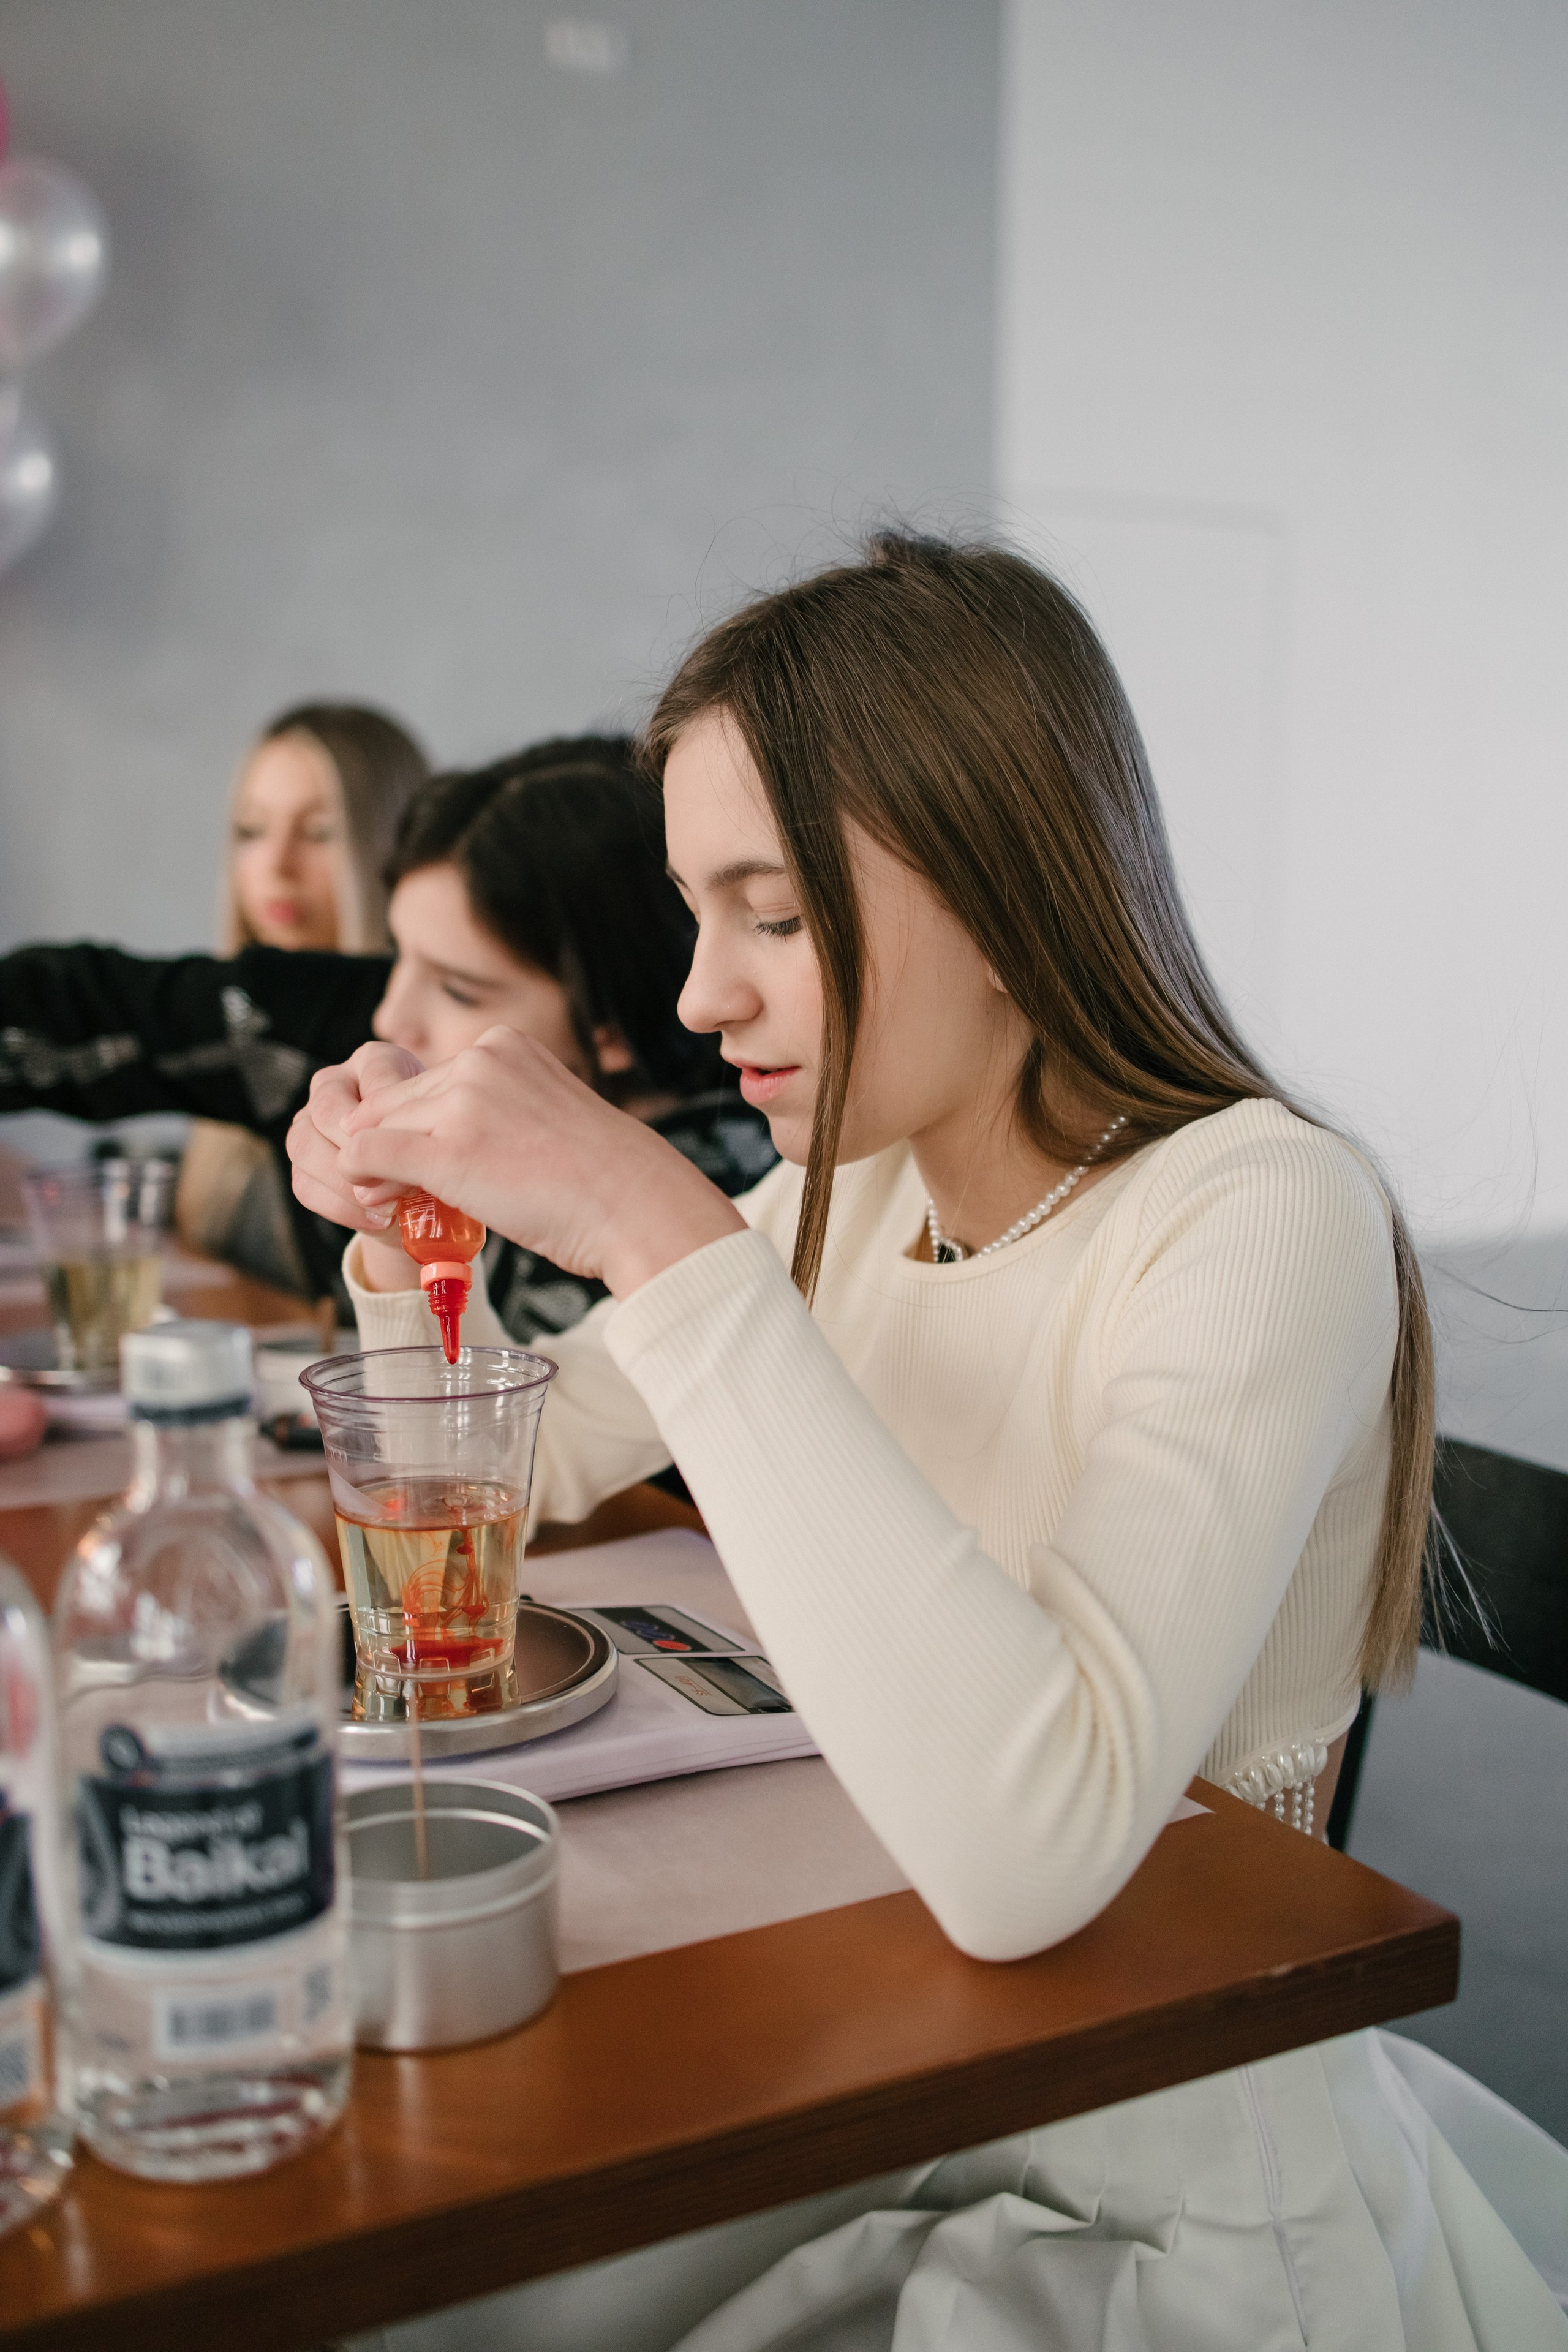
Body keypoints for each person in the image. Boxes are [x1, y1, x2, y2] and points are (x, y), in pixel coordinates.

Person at [294, 535, 1568, 2350]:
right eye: (696, 913)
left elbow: (1029, 1849)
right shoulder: (860, 1184)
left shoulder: (1258, 1211)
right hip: (884, 2038)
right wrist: (403, 1238)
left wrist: (655, 1231)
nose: (697, 996)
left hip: (1147, 2166)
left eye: (776, 915)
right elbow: (534, 1456)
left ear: (993, 883)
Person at [0, 737, 773, 1320]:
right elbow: (76, 1004)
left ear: (612, 1025)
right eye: (400, 954)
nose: (388, 1018)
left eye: (459, 988)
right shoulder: (340, 1032)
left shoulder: (772, 1177)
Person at [174, 701, 431, 1296]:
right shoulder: (234, 1027)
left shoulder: (402, 1059)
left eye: (319, 833)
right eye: (252, 831)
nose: (277, 865)